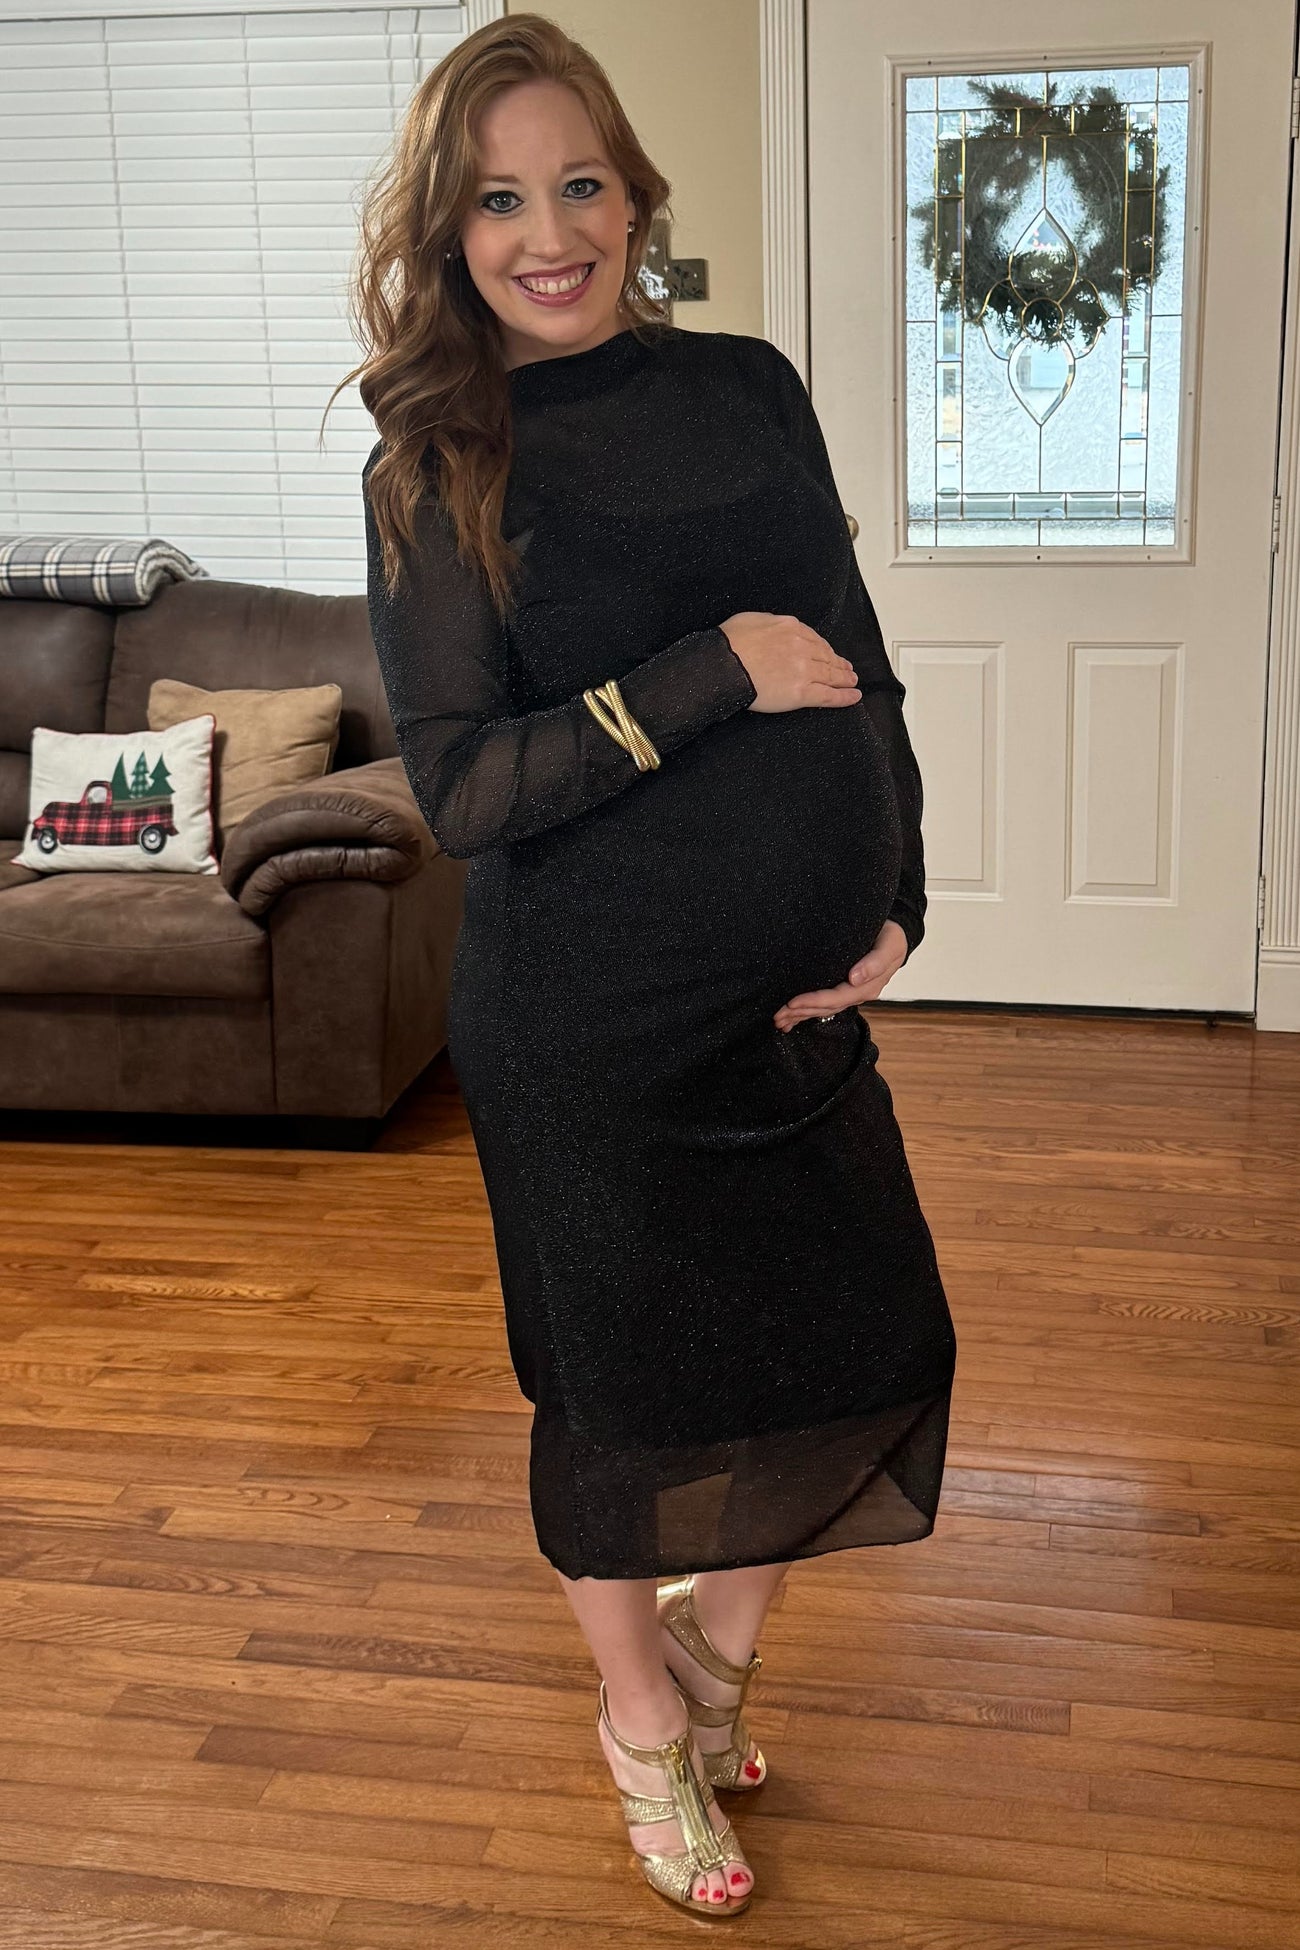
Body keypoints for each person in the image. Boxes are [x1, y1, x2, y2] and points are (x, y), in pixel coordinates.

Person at [339, 12, 958, 1921]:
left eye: (580, 184)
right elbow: (464, 786)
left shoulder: (753, 385)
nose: (551, 236)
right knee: (619, 1403)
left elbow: (859, 652)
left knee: (875, 1338)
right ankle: (639, 1719)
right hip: (585, 1027)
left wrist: (899, 886)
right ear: (448, 236)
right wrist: (710, 673)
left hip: (784, 1008)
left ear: (636, 195)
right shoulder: (438, 460)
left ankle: (706, 1661)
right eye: (498, 201)